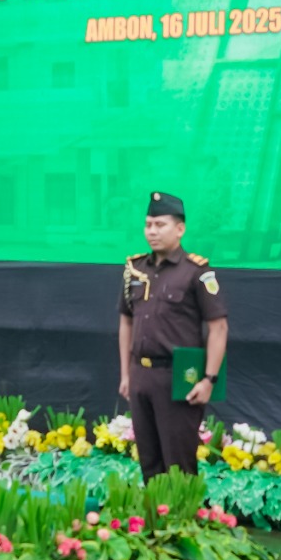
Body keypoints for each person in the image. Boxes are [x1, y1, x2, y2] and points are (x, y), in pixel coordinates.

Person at [117, 191, 225, 477]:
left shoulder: (197, 271)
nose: (152, 231)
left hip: (178, 378)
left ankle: (181, 520)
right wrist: (126, 375)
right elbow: (126, 322)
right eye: (148, 224)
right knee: (149, 461)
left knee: (178, 462)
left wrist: (209, 379)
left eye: (160, 224)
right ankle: (154, 520)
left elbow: (218, 328)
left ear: (180, 229)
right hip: (141, 374)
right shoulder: (135, 269)